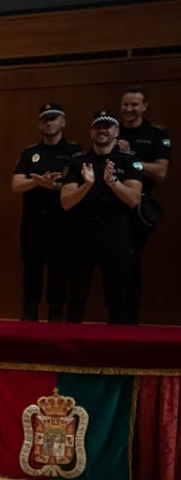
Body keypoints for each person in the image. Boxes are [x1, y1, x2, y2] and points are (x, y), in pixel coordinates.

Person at [60, 111, 143, 324]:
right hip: (82, 231)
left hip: (116, 231)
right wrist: (87, 185)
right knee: (77, 290)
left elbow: (133, 200)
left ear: (116, 131)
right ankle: (70, 338)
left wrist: (112, 182)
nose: (102, 130)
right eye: (98, 126)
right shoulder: (78, 161)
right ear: (91, 132)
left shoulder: (128, 160)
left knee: (118, 290)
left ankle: (118, 339)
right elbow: (66, 202)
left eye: (108, 126)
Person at [12, 103, 84, 322]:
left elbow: (81, 186)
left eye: (53, 118)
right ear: (39, 124)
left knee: (59, 272)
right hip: (33, 223)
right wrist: (37, 182)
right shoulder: (30, 153)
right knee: (31, 272)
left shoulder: (75, 152)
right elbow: (16, 185)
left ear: (63, 122)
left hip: (62, 222)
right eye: (45, 119)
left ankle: (55, 318)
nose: (49, 123)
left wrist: (52, 186)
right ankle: (29, 316)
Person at [117, 85, 171, 323]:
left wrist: (132, 158)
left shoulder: (156, 133)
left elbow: (160, 172)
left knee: (131, 263)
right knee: (112, 265)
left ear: (144, 107)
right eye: (125, 104)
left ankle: (130, 321)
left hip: (137, 208)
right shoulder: (111, 129)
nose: (129, 109)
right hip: (110, 205)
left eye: (134, 105)